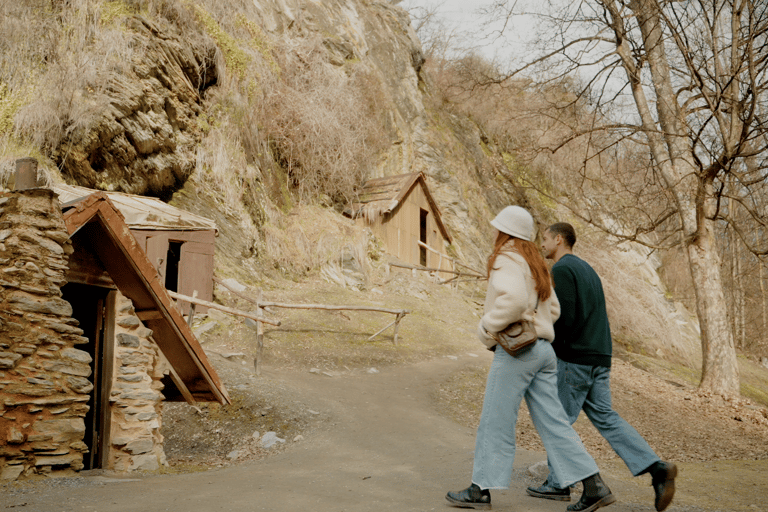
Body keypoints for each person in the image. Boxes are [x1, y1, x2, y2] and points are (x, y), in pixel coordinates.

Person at [446, 206, 616, 512]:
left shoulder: (507, 257)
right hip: (543, 351)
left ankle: (480, 490)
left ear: (504, 231)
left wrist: (487, 327)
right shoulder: (535, 262)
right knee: (555, 423)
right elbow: (553, 311)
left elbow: (513, 300)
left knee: (495, 421)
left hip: (517, 352)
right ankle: (594, 485)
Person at [527, 222, 677, 512]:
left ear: (559, 240)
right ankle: (657, 468)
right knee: (606, 417)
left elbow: (565, 320)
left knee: (557, 421)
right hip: (599, 358)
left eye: (545, 239)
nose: (542, 244)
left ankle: (567, 484)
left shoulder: (562, 270)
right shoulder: (589, 270)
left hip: (575, 360)